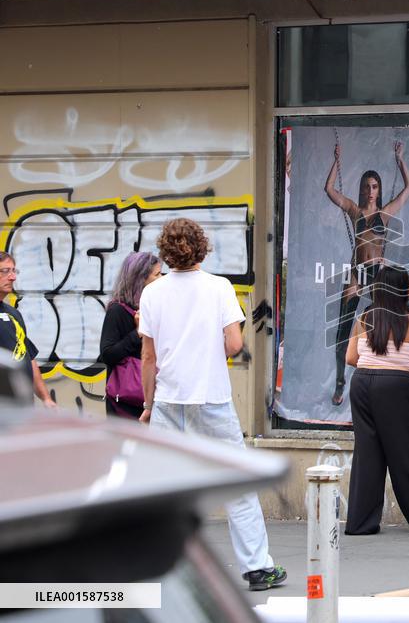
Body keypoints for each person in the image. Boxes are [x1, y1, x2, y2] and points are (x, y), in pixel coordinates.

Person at [137, 218, 287, 592]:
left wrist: (147, 404)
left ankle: (159, 566)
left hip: (169, 400)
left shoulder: (152, 293)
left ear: (167, 251)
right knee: (236, 482)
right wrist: (206, 356)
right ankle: (256, 568)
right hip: (212, 398)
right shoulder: (219, 287)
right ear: (201, 247)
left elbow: (148, 357)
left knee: (163, 487)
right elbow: (235, 344)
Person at [344, 265, 409, 535]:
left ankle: (360, 523)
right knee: (405, 453)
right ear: (403, 290)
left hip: (362, 384)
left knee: (367, 454)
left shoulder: (364, 318)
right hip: (395, 387)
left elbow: (350, 359)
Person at [325, 140, 409, 406]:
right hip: (356, 272)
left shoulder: (385, 213)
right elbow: (329, 189)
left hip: (377, 273)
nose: (371, 190)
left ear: (379, 189)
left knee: (382, 326)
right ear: (362, 189)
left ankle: (380, 378)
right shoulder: (354, 211)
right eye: (367, 186)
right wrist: (336, 161)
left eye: (375, 186)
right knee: (343, 328)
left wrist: (400, 159)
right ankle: (340, 380)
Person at [99, 251, 162, 419]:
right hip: (125, 404)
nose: (162, 278)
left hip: (151, 397)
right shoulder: (117, 310)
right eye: (157, 274)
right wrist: (137, 334)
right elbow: (107, 354)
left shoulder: (153, 309)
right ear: (140, 279)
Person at [0, 251, 56, 408]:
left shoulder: (14, 314)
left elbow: (29, 359)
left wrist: (46, 398)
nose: (12, 277)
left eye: (13, 271)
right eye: (5, 271)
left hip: (22, 406)